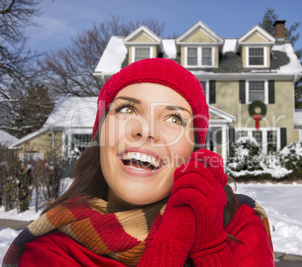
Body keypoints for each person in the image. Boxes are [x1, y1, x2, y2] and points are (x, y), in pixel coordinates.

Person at [3, 58, 274, 266]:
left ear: (194, 150)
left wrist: (209, 248)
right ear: (100, 134)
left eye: (175, 119)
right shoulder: (45, 249)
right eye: (127, 109)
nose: (146, 130)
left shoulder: (238, 226)